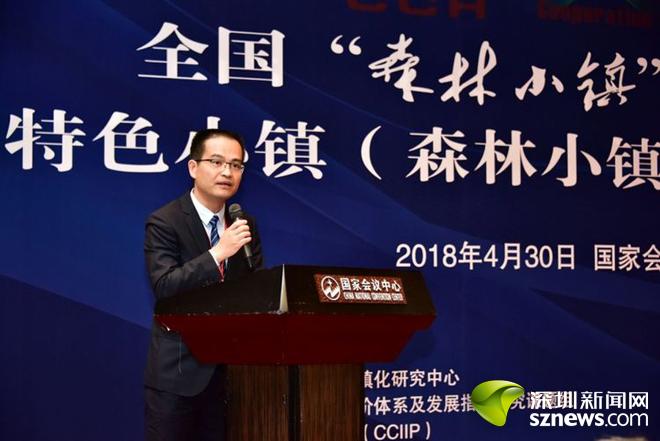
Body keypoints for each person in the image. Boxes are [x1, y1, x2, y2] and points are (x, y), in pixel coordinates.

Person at [143, 128, 263, 441]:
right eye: (217, 162)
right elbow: (164, 286)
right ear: (193, 167)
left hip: (232, 375)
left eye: (236, 165)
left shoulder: (244, 223)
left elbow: (255, 289)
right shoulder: (165, 221)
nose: (227, 172)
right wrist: (217, 254)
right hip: (178, 375)